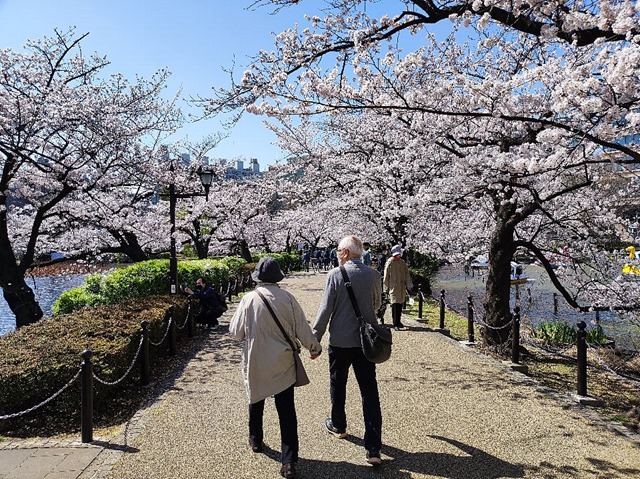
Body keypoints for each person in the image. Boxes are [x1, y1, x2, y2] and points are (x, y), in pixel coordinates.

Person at [229, 257, 322, 479]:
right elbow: (302, 327)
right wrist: (314, 347)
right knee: (286, 411)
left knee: (255, 399)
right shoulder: (288, 298)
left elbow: (235, 332)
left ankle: (255, 439)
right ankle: (288, 461)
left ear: (257, 278)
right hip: (283, 361)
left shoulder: (248, 300)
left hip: (256, 359)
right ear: (278, 277)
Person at [313, 235, 384, 466]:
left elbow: (325, 311)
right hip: (366, 343)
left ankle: (339, 425)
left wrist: (315, 341)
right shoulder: (374, 275)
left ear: (344, 252)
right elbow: (376, 305)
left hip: (340, 341)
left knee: (338, 384)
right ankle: (373, 447)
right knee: (369, 392)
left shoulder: (335, 275)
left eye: (337, 250)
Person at [383, 245, 413, 330]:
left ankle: (398, 321)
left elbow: (407, 275)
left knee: (400, 304)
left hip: (401, 287)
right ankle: (395, 322)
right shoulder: (390, 262)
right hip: (393, 286)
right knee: (395, 304)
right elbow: (386, 276)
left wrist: (409, 285)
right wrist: (386, 288)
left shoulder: (402, 262)